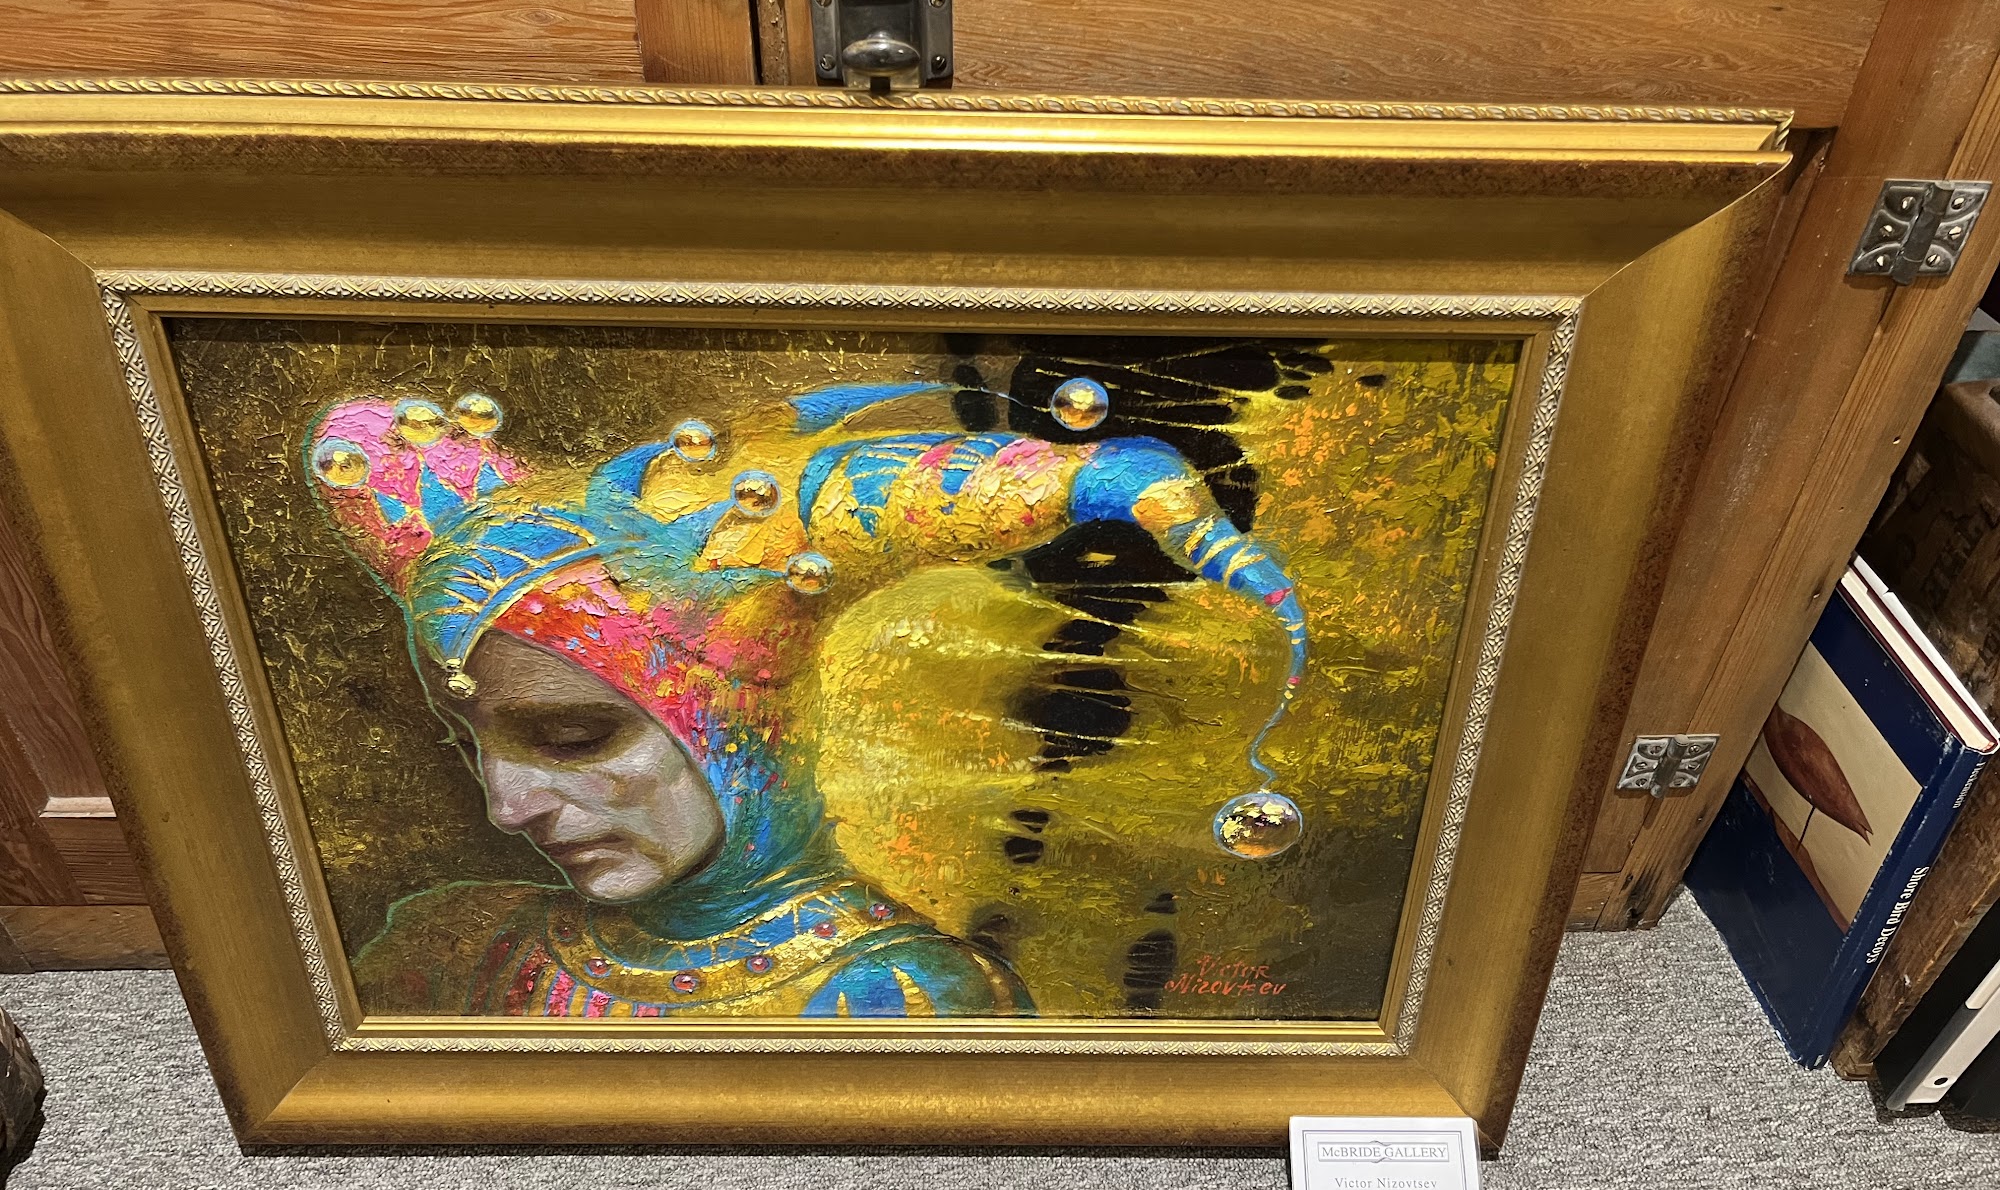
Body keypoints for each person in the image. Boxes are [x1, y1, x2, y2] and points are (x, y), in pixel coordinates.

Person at [309, 378, 1307, 1019]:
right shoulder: (463, 944)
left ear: (738, 723)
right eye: (470, 744)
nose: (505, 807)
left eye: (573, 735)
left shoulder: (891, 994)